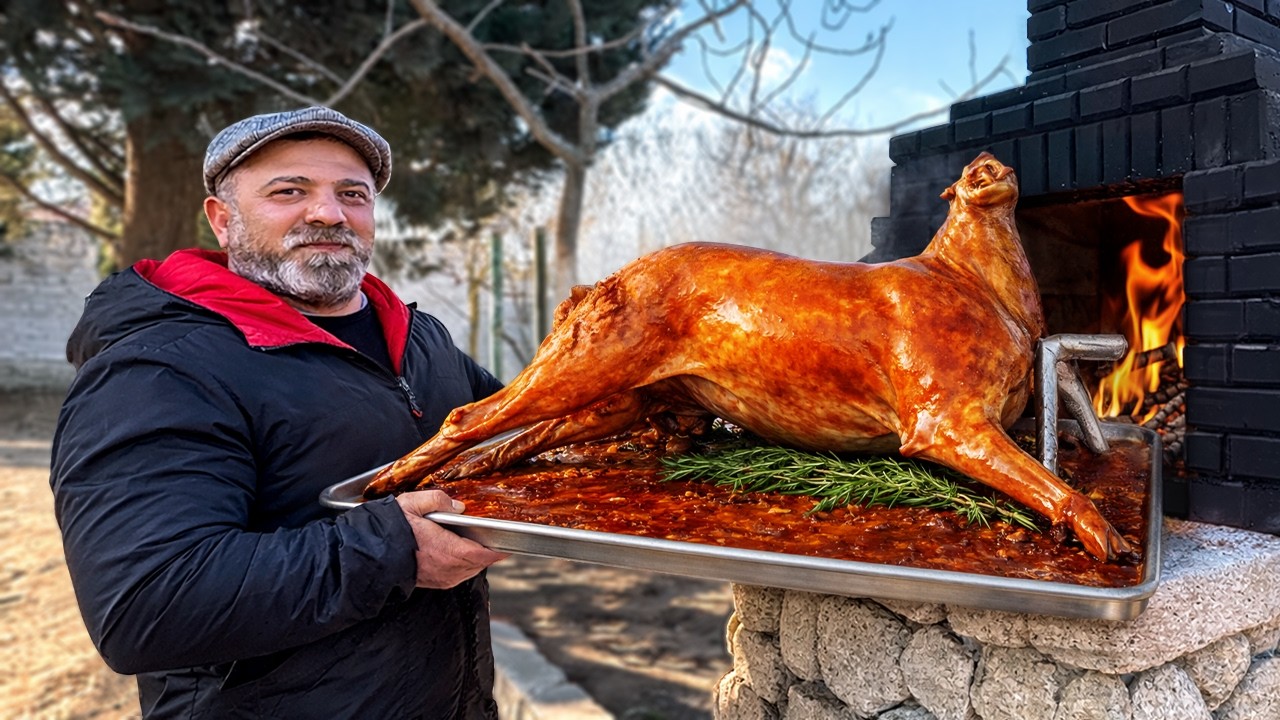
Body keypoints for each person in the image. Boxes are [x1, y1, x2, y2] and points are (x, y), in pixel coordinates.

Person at [50, 106, 510, 719]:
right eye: (288, 191)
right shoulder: (160, 369)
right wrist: (393, 551)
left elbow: (528, 441)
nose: (328, 212)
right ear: (223, 219)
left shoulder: (421, 338)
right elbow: (145, 606)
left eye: (353, 194)